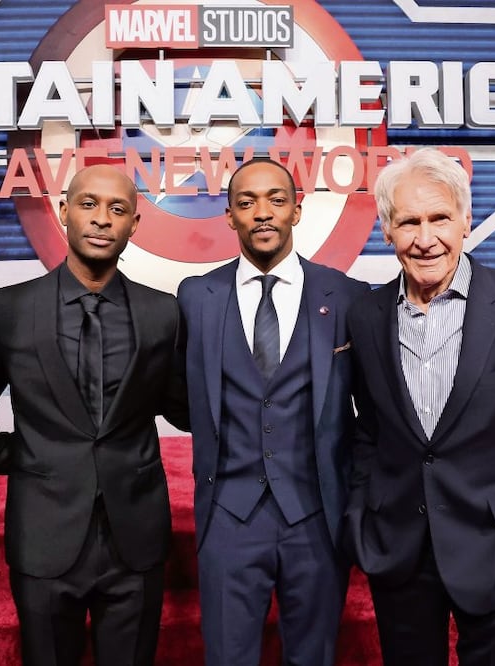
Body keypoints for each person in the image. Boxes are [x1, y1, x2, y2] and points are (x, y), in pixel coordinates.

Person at [344, 148, 495, 665]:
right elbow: (368, 431)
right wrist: (362, 521)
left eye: (439, 219)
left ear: (466, 220)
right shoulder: (363, 315)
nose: (425, 239)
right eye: (408, 222)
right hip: (400, 550)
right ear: (386, 229)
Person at [0, 164, 187, 666]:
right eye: (89, 204)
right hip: (43, 537)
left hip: (135, 540)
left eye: (117, 210)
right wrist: (26, 456)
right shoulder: (10, 309)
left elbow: (187, 410)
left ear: (134, 225)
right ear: (64, 211)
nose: (101, 219)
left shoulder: (164, 312)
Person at [178, 158, 370, 666]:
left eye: (276, 200)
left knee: (313, 657)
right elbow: (180, 395)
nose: (262, 213)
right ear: (229, 217)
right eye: (246, 202)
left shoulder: (347, 296)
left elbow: (371, 413)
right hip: (228, 517)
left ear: (297, 210)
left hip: (316, 516)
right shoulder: (196, 297)